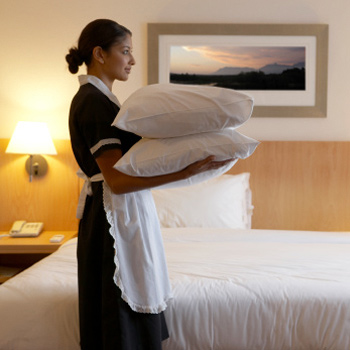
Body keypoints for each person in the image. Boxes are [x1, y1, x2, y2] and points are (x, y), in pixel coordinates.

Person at [66, 18, 233, 350]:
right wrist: (184, 173)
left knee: (124, 309)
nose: (132, 60)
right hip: (109, 219)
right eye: (125, 51)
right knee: (117, 315)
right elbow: (116, 180)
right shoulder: (93, 103)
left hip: (113, 212)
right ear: (99, 54)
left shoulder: (103, 101)